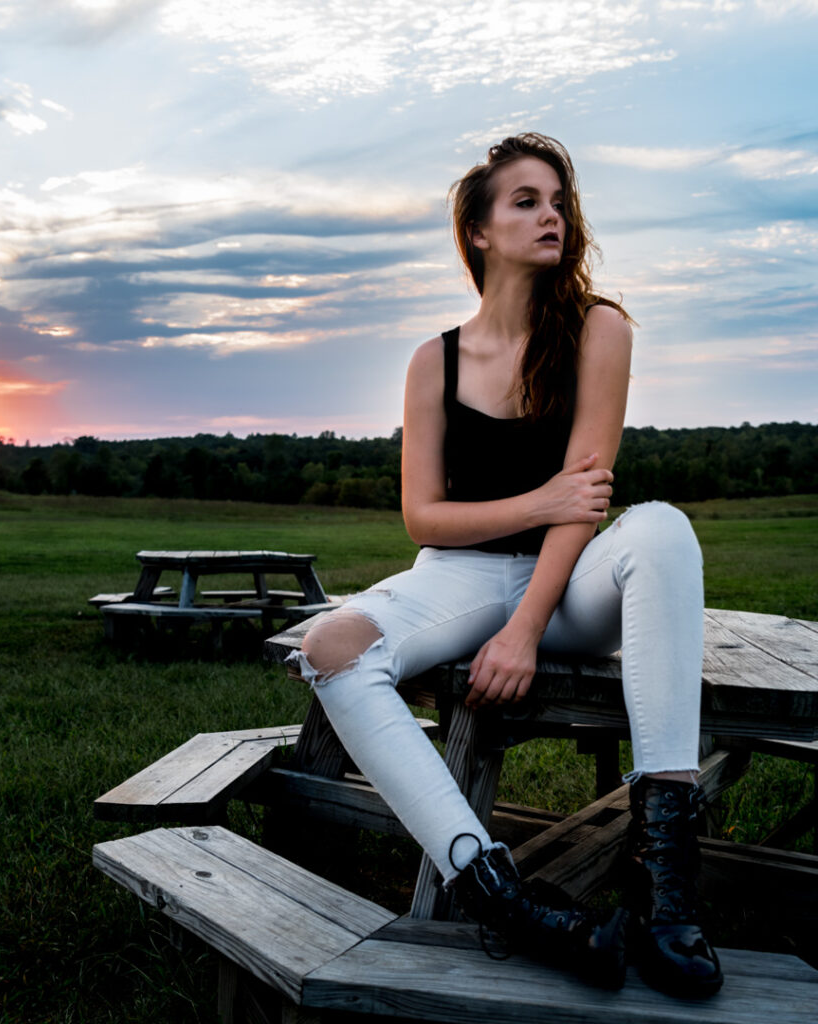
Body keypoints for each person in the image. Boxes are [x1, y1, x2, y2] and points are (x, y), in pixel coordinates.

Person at [287, 134, 722, 997]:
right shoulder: (432, 361)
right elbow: (424, 515)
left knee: (663, 529)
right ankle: (500, 897)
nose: (551, 213)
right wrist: (537, 503)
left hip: (566, 583)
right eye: (526, 200)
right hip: (455, 575)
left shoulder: (600, 328)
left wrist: (526, 630)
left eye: (559, 199)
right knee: (332, 648)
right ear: (478, 231)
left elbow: (587, 499)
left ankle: (665, 883)